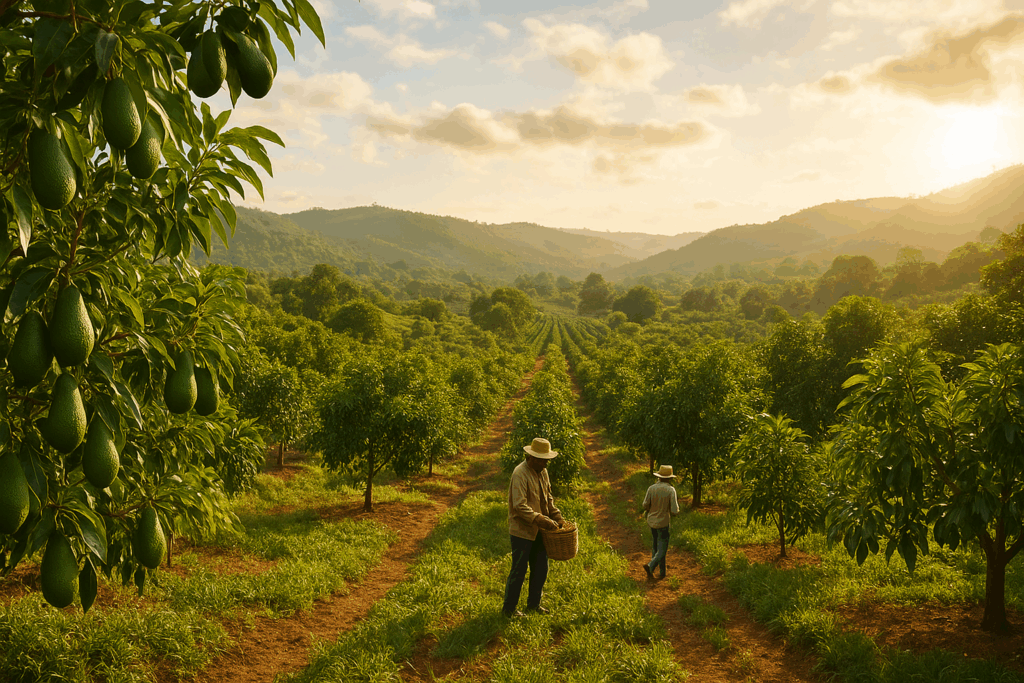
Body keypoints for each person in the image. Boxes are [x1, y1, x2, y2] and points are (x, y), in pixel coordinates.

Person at [502, 437, 564, 618]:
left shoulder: (542, 472)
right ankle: (509, 609)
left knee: (540, 568)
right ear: (532, 457)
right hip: (522, 530)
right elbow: (519, 505)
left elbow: (548, 498)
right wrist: (539, 519)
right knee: (519, 570)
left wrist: (556, 516)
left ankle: (534, 604)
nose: (546, 463)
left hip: (540, 530)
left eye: (546, 459)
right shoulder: (520, 473)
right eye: (543, 459)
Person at [642, 464, 679, 580]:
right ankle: (651, 565)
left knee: (655, 547)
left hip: (652, 521)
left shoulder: (651, 488)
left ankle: (661, 572)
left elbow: (645, 505)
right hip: (663, 522)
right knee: (662, 549)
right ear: (670, 478)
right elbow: (674, 510)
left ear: (659, 476)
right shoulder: (670, 490)